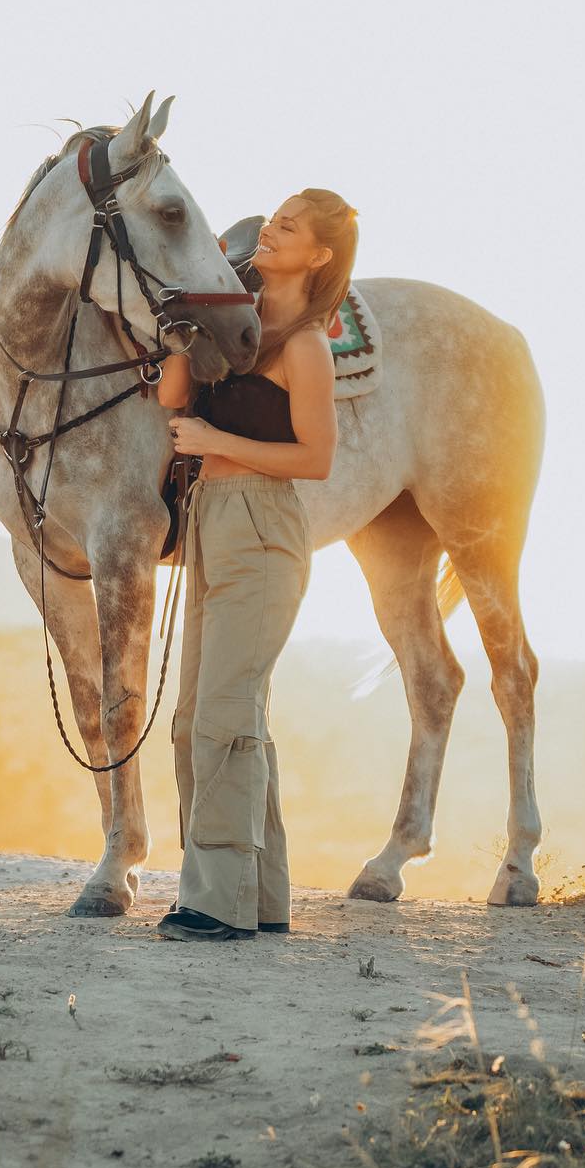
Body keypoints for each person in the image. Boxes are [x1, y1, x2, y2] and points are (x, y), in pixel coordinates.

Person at [155, 189, 358, 941]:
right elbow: (174, 403)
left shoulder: (303, 345)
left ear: (320, 256)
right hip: (211, 521)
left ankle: (215, 904)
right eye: (273, 218)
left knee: (224, 716)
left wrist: (219, 443)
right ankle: (263, 898)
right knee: (196, 721)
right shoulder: (234, 319)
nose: (270, 228)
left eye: (291, 227)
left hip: (264, 528)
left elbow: (316, 457)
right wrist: (182, 340)